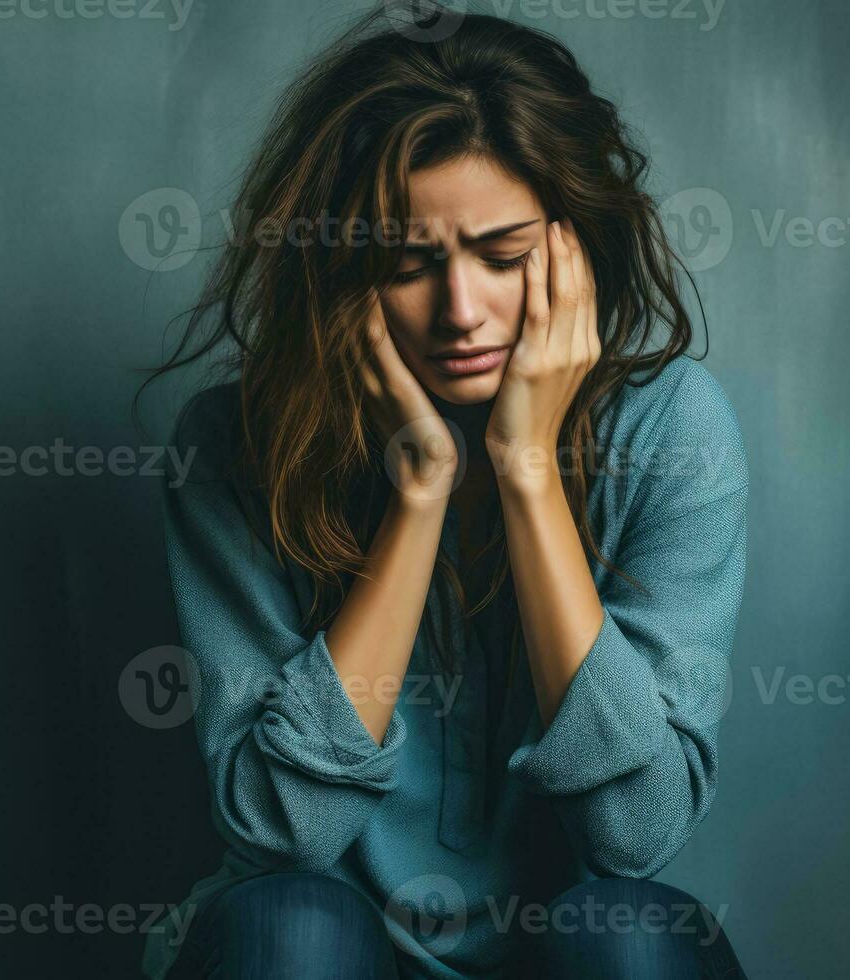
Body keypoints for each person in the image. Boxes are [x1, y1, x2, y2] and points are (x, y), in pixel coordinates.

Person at [134, 5, 750, 977]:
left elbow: (636, 836)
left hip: (561, 956)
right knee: (288, 923)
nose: (461, 310)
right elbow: (282, 830)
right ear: (341, 265)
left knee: (635, 930)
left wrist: (527, 471)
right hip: (328, 949)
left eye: (503, 258)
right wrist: (418, 492)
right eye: (411, 262)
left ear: (574, 247)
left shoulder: (670, 427)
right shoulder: (231, 446)